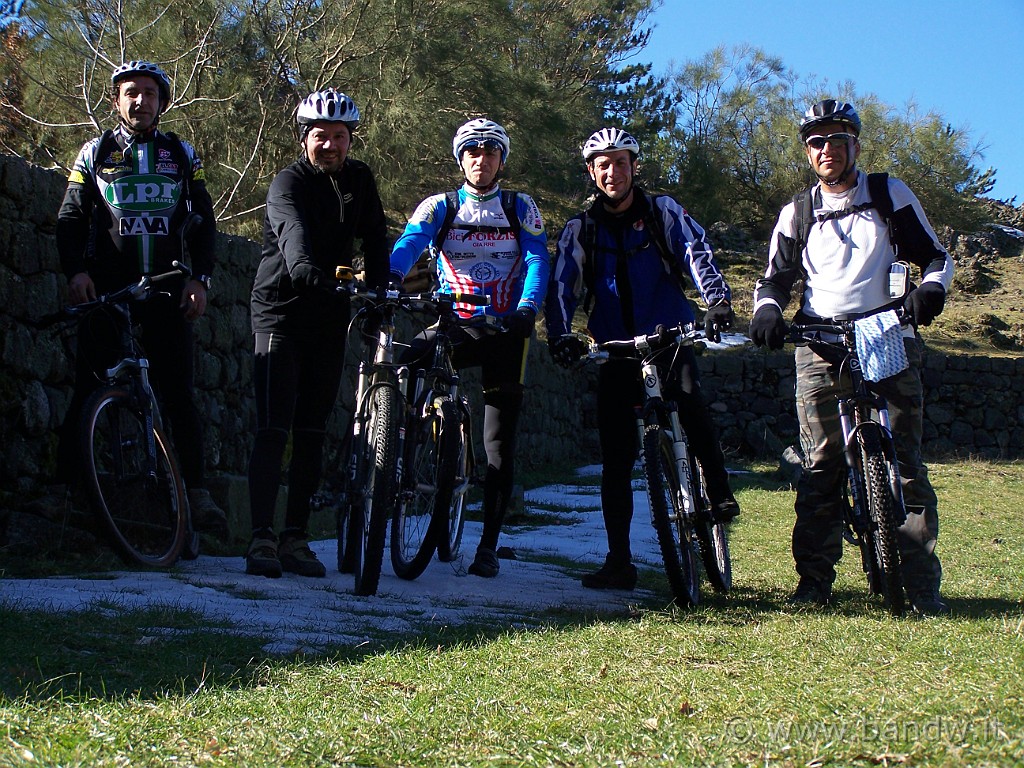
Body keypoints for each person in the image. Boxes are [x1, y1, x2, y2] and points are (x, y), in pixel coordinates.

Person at [749, 99, 953, 615]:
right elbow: (773, 278)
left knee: (905, 460)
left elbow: (934, 256)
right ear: (807, 153)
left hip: (884, 330)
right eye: (816, 142)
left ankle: (921, 585)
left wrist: (930, 289)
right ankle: (814, 582)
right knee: (820, 465)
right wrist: (769, 311)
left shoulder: (887, 193)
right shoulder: (798, 211)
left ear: (854, 146)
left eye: (837, 140)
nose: (826, 150)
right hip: (819, 340)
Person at [545, 127, 739, 591]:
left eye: (621, 162)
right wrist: (560, 335)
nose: (613, 172)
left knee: (691, 405)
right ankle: (619, 561)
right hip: (616, 350)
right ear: (592, 173)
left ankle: (719, 492)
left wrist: (716, 301)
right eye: (603, 164)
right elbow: (561, 286)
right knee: (616, 459)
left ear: (635, 167)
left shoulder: (661, 211)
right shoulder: (581, 228)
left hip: (670, 335)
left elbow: (697, 253)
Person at [55, 60, 227, 537]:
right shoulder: (94, 152)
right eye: (131, 92)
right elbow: (70, 219)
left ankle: (196, 492)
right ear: (117, 100)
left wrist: (202, 280)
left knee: (178, 396)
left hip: (169, 290)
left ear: (161, 101)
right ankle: (64, 498)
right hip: (107, 292)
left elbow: (205, 222)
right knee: (87, 391)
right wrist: (76, 272)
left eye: (149, 93)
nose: (140, 100)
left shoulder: (181, 152)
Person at [389, 118, 549, 578]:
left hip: (505, 329)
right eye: (472, 153)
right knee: (406, 360)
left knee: (498, 444)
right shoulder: (440, 205)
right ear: (461, 159)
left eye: (491, 152)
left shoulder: (520, 207)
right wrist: (391, 278)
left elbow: (537, 258)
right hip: (454, 326)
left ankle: (488, 546)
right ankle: (404, 443)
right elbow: (410, 243)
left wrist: (527, 308)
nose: (482, 160)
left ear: (502, 159)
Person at [246, 88, 390, 578]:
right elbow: (295, 245)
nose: (330, 145)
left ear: (350, 140)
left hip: (329, 317)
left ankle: (295, 538)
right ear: (303, 138)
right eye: (320, 137)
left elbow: (376, 237)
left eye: (339, 137)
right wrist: (320, 276)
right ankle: (261, 537)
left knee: (311, 431)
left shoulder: (359, 179)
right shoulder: (288, 182)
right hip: (281, 312)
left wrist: (379, 292)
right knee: (274, 427)